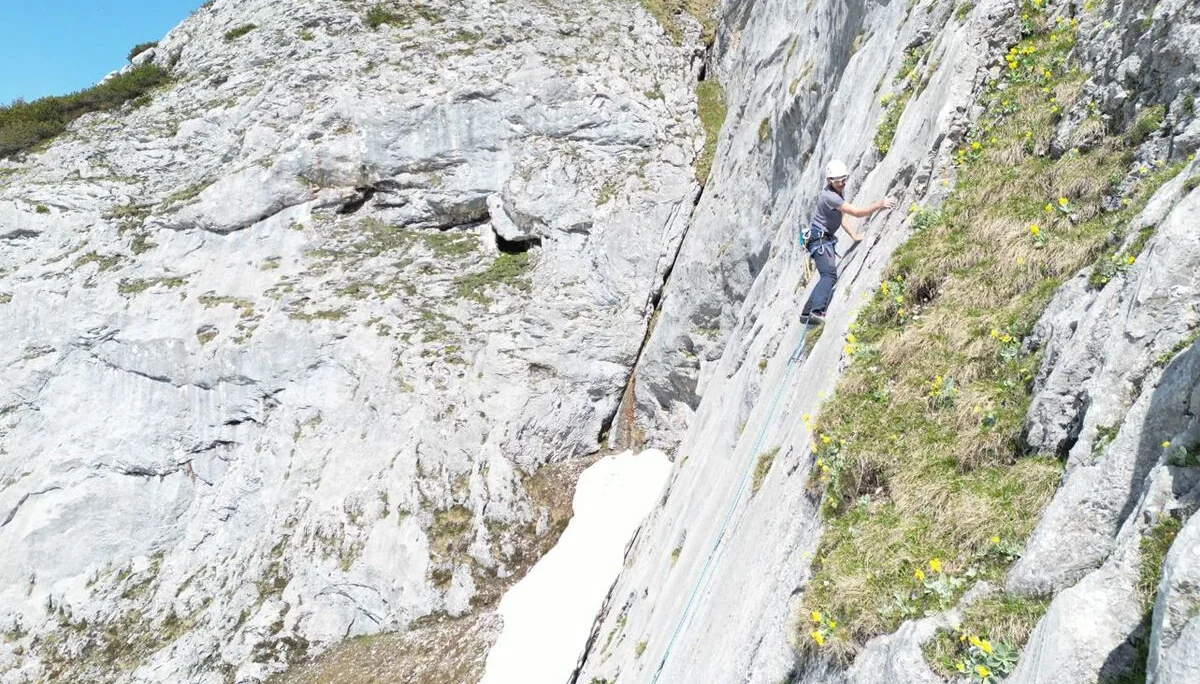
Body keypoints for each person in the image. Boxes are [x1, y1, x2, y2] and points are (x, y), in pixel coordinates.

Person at [799, 160, 896, 324]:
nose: (843, 183)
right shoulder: (830, 196)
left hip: (820, 238)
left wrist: (854, 235)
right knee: (829, 275)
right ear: (830, 181)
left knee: (826, 275)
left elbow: (842, 218)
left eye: (844, 179)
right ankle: (816, 312)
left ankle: (806, 313)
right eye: (839, 181)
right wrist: (880, 204)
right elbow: (857, 213)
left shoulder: (835, 193)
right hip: (820, 239)